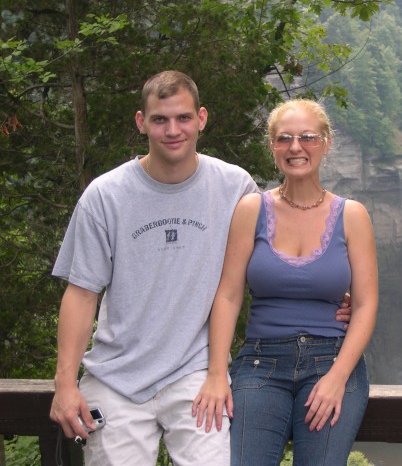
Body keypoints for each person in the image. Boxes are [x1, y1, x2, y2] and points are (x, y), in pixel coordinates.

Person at [49, 71, 351, 465]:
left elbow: (274, 256)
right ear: (142, 122)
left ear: (201, 118)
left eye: (183, 118)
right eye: (160, 119)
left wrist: (327, 297)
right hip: (116, 376)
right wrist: (64, 383)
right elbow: (82, 292)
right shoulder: (106, 195)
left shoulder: (234, 187)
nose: (172, 130)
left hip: (197, 374)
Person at [193, 99, 378, 466]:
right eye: (284, 139)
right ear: (272, 146)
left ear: (326, 142)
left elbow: (366, 303)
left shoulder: (352, 216)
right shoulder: (251, 210)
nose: (296, 147)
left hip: (333, 359)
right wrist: (216, 373)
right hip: (261, 363)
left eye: (308, 137)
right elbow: (228, 296)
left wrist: (338, 377)